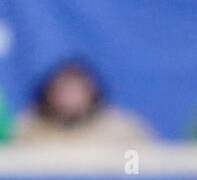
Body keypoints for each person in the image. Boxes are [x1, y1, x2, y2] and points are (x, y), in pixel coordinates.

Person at [15, 60, 154, 144]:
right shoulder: (27, 129)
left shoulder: (121, 129)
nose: (70, 98)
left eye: (76, 91)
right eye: (63, 91)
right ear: (48, 95)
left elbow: (141, 172)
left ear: (92, 93)